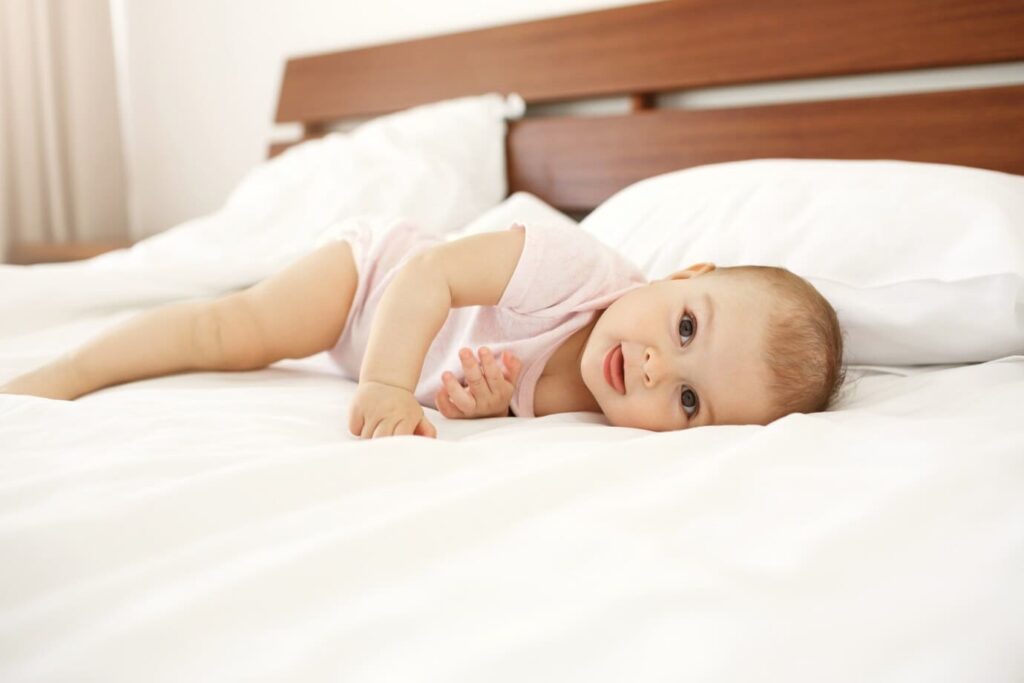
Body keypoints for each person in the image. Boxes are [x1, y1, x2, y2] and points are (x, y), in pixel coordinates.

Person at [1, 219, 846, 439]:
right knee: (240, 325)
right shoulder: (574, 268)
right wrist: (387, 385)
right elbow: (429, 277)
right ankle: (65, 373)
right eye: (687, 326)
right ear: (683, 276)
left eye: (692, 401)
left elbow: (486, 373)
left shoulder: (598, 405)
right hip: (373, 280)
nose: (659, 368)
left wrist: (473, 401)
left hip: (399, 343)